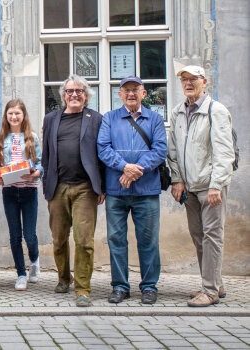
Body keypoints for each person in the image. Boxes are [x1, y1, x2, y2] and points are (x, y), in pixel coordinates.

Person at [167, 65, 235, 307]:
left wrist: (217, 183)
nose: (188, 83)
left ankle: (210, 290)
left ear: (204, 82)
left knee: (212, 236)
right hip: (190, 187)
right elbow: (173, 151)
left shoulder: (215, 111)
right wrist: (177, 179)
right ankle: (214, 281)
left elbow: (225, 152)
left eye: (193, 79)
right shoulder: (177, 112)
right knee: (198, 236)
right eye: (184, 79)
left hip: (210, 186)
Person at [97, 76, 167, 305]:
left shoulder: (155, 119)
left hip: (146, 190)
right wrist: (124, 167)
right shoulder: (109, 118)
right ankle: (119, 286)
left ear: (143, 93)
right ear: (120, 95)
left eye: (135, 90)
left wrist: (136, 171)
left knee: (148, 240)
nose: (130, 94)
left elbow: (160, 150)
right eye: (126, 90)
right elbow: (103, 148)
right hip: (116, 190)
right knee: (116, 239)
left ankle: (149, 287)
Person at [41, 75, 105, 307]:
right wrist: (46, 183)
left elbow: (102, 155)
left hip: (85, 189)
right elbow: (46, 154)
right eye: (70, 91)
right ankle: (63, 278)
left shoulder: (96, 119)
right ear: (63, 96)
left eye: (79, 91)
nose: (75, 94)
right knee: (58, 239)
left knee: (84, 241)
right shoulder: (51, 119)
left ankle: (83, 288)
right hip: (57, 188)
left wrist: (102, 186)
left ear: (86, 96)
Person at [0, 99, 43, 291]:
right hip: (10, 191)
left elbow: (40, 162)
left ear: (23, 116)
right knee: (15, 236)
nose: (14, 117)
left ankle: (34, 259)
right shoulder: (1, 139)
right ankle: (21, 274)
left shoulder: (32, 137)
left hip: (29, 189)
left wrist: (37, 172)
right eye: (10, 114)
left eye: (17, 114)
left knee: (29, 235)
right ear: (6, 116)